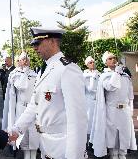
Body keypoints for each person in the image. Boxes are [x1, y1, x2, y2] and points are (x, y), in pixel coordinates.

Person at [11, 27, 88, 159]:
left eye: (38, 43)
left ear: (52, 41)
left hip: (63, 147)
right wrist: (17, 130)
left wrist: (74, 155)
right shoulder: (45, 69)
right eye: (34, 44)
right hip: (47, 145)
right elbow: (34, 105)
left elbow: (77, 119)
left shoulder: (67, 69)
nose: (35, 48)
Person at [90, 51, 137, 159]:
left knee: (125, 134)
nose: (113, 60)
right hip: (112, 111)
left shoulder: (124, 75)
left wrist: (131, 108)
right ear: (105, 62)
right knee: (113, 136)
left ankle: (123, 154)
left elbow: (130, 94)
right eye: (110, 59)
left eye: (114, 58)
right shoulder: (105, 76)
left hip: (124, 110)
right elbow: (111, 87)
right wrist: (116, 73)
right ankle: (114, 155)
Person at [2, 52, 39, 159]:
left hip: (33, 109)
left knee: (34, 138)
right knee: (25, 140)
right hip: (21, 109)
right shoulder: (15, 74)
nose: (25, 61)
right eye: (22, 59)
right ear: (18, 61)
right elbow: (22, 86)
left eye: (26, 59)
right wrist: (24, 71)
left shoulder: (34, 74)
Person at [83, 56, 100, 139]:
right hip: (89, 102)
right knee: (89, 121)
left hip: (98, 101)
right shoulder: (85, 75)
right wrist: (93, 77)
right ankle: (88, 141)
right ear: (87, 65)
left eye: (93, 62)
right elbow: (90, 89)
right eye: (90, 62)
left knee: (98, 121)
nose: (92, 64)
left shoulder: (98, 74)